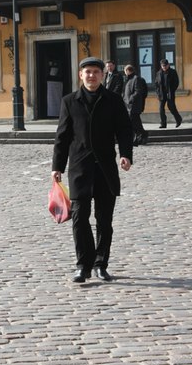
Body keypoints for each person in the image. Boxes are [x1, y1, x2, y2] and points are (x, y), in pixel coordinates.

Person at [51, 56, 133, 283]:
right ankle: (83, 265)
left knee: (104, 221)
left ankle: (100, 264)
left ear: (102, 75)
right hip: (79, 169)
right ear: (81, 75)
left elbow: (124, 129)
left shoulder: (113, 100)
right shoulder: (69, 101)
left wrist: (125, 154)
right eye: (87, 72)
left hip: (105, 169)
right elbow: (62, 137)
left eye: (96, 72)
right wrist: (57, 166)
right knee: (79, 218)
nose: (91, 75)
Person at [123, 64, 149, 145]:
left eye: (125, 71)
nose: (125, 73)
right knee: (135, 122)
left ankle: (141, 136)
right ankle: (140, 137)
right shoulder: (128, 79)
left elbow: (138, 91)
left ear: (127, 71)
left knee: (134, 122)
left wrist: (130, 99)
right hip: (128, 105)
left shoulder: (136, 78)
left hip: (133, 105)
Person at [154, 59, 182, 128]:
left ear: (168, 65)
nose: (164, 67)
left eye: (165, 65)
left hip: (170, 93)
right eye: (163, 66)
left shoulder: (173, 72)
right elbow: (156, 84)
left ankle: (178, 119)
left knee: (171, 107)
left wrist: (172, 90)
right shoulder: (158, 73)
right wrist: (158, 92)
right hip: (161, 94)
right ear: (161, 66)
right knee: (161, 109)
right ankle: (163, 124)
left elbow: (176, 82)